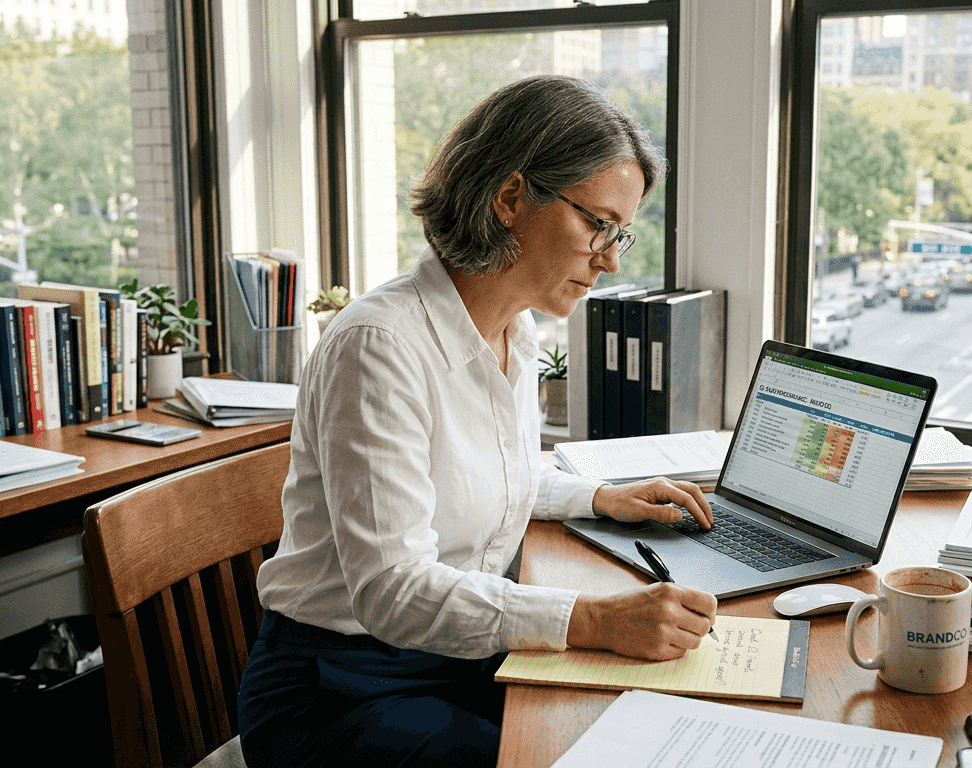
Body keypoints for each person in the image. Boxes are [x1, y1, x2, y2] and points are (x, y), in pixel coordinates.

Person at [236, 76, 716, 768]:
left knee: (639, 727)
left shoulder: (512, 335)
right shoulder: (379, 346)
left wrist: (597, 497)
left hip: (455, 656)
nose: (610, 259)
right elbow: (393, 590)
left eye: (622, 234)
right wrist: (589, 618)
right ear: (511, 197)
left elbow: (483, 474)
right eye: (597, 224)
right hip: (339, 691)